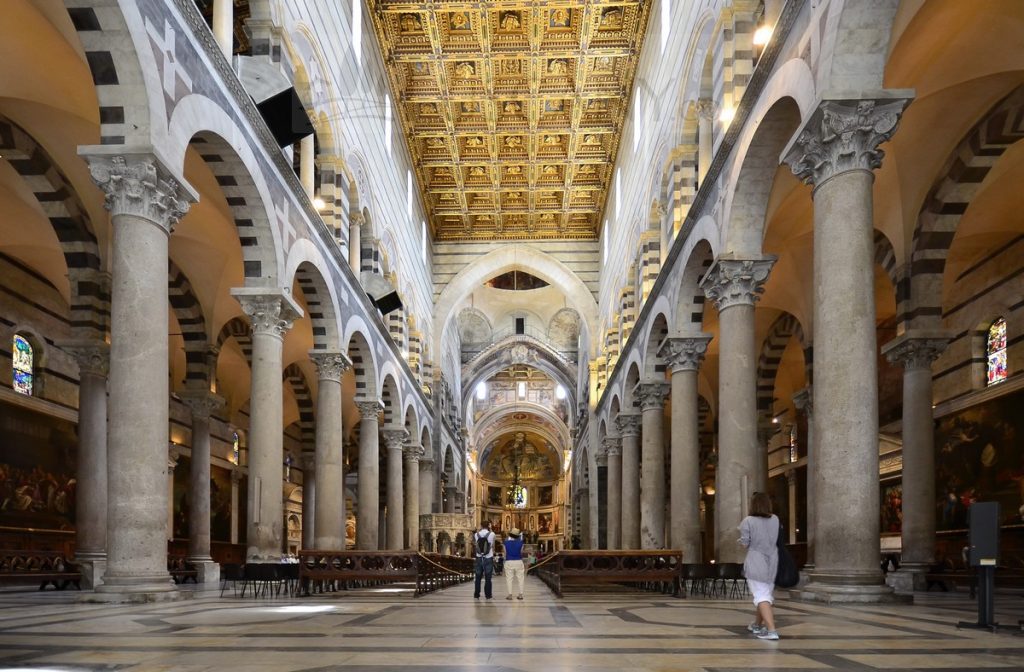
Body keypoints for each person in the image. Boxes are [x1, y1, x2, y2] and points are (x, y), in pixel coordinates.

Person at [739, 492, 781, 640]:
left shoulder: (748, 521)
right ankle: (757, 625)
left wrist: (743, 540)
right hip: (772, 559)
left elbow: (745, 544)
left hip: (756, 559)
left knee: (761, 595)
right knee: (764, 594)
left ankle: (771, 630)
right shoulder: (775, 519)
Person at [473, 520, 496, 600]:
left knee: (478, 577)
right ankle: (488, 595)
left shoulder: (476, 534)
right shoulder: (492, 534)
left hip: (479, 557)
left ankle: (476, 594)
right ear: (489, 526)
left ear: (481, 526)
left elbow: (476, 545)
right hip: (488, 557)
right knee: (488, 578)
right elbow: (493, 545)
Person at [503, 528, 526, 600]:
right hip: (518, 561)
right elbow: (521, 552)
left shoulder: (506, 542)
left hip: (509, 561)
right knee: (521, 578)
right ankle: (521, 594)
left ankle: (510, 595)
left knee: (509, 579)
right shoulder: (521, 542)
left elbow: (505, 553)